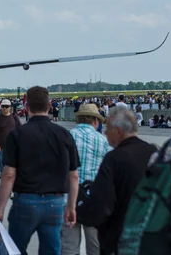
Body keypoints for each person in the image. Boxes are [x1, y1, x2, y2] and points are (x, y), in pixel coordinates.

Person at [0, 86, 80, 255]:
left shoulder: (18, 135)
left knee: (15, 249)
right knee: (52, 250)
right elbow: (73, 176)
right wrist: (71, 206)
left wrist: (0, 210)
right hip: (55, 203)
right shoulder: (63, 134)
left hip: (25, 201)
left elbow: (9, 174)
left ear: (27, 107)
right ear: (50, 105)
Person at [77, 107, 157, 254]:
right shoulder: (154, 153)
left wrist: (85, 215)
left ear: (118, 131)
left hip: (120, 237)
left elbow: (102, 204)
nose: (105, 132)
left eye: (108, 128)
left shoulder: (114, 159)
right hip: (150, 235)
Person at [61, 103, 110, 255]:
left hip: (68, 199)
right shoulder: (102, 140)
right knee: (95, 246)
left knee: (69, 246)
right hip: (93, 200)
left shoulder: (67, 137)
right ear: (96, 121)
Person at [0, 99, 21, 178]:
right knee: (1, 161)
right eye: (3, 106)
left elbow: (20, 131)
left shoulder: (14, 118)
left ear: (10, 107)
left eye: (6, 107)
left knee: (14, 161)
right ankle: (2, 174)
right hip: (1, 144)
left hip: (13, 144)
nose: (4, 108)